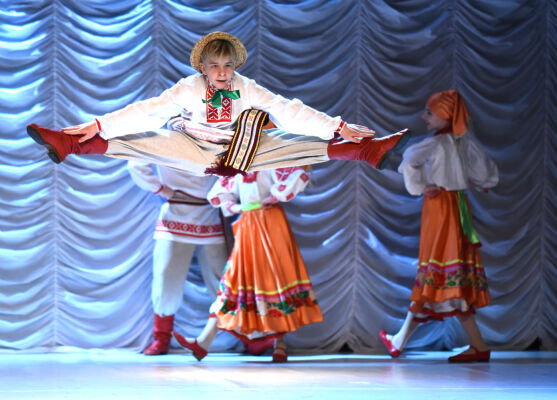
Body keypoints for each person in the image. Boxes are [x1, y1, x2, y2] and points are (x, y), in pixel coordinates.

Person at [26, 31, 409, 177]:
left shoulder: (247, 87)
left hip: (243, 147)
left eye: (228, 66)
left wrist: (339, 127)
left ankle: (366, 151)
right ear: (203, 68)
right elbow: (149, 109)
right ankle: (69, 143)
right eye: (215, 66)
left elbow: (287, 109)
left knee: (291, 142)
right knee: (143, 140)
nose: (222, 73)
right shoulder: (189, 87)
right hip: (193, 145)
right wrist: (100, 123)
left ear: (235, 66)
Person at [379, 89, 499, 362]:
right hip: (458, 206)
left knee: (438, 269)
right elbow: (486, 172)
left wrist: (420, 187)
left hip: (441, 208)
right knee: (444, 272)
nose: (425, 117)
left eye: (430, 113)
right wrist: (475, 182)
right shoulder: (463, 142)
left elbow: (409, 160)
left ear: (446, 115)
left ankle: (475, 346)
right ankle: (401, 341)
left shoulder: (437, 143)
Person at [173, 166, 322, 363]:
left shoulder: (270, 160)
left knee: (275, 279)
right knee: (234, 280)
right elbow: (221, 192)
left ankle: (280, 345)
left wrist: (273, 197)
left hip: (270, 223)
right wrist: (237, 207)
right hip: (248, 225)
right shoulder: (238, 165)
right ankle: (203, 342)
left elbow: (297, 176)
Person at [127, 161, 229, 355]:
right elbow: (136, 163)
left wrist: (222, 192)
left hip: (210, 212)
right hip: (176, 213)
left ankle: (247, 335)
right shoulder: (165, 143)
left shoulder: (219, 142)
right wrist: (159, 188)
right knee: (166, 279)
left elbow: (233, 170)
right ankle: (161, 337)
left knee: (224, 280)